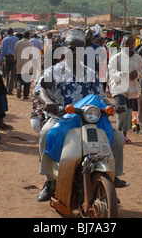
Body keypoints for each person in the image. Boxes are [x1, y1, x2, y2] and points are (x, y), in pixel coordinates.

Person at [36, 29, 128, 202]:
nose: (75, 52)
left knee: (117, 139)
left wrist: (112, 106)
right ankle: (49, 181)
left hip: (89, 119)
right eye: (71, 48)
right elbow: (41, 90)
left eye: (79, 49)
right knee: (45, 134)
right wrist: (48, 101)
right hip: (62, 118)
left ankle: (112, 177)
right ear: (65, 49)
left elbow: (101, 97)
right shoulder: (54, 71)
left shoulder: (90, 73)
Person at [108, 34, 142, 144]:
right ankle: (117, 133)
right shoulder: (116, 57)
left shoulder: (138, 58)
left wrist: (136, 73)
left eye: (131, 43)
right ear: (122, 44)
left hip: (132, 89)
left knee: (128, 112)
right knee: (121, 110)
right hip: (119, 87)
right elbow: (111, 71)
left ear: (134, 44)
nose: (128, 45)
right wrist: (120, 74)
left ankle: (124, 134)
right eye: (126, 43)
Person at [14, 31, 34, 99]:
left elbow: (15, 55)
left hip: (19, 63)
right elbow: (31, 56)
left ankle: (19, 87)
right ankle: (25, 95)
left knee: (19, 78)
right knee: (27, 81)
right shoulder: (30, 44)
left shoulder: (18, 43)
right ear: (28, 36)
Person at [0, 28, 19, 94]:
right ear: (13, 32)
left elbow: (2, 50)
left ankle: (6, 88)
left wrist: (1, 59)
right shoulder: (16, 39)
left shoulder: (4, 40)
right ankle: (10, 90)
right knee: (12, 74)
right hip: (14, 58)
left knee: (7, 73)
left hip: (7, 58)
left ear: (7, 33)